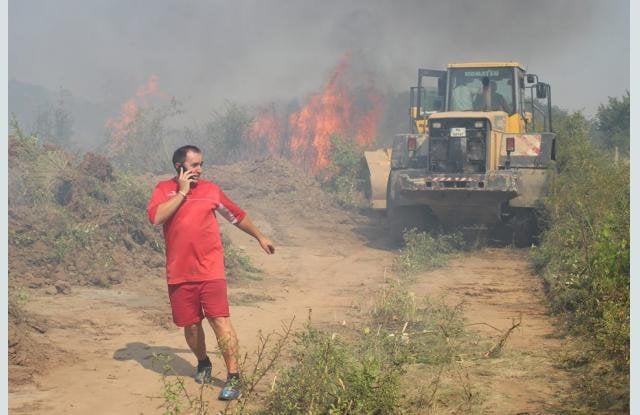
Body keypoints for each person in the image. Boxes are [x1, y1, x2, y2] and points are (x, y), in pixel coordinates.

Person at [147, 145, 275, 401]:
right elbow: (156, 217)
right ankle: (203, 362)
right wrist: (182, 193)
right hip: (180, 273)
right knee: (191, 326)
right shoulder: (163, 189)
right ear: (178, 166)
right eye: (194, 165)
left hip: (211, 270)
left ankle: (233, 377)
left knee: (220, 321)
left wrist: (260, 237)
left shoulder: (211, 191)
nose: (199, 169)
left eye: (200, 164)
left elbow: (236, 216)